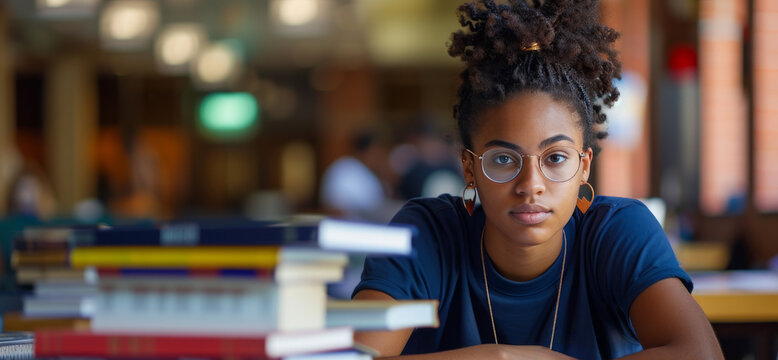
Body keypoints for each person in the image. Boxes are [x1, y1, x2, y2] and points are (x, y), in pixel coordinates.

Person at [352, 1, 723, 359]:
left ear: (584, 166)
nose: (531, 184)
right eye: (502, 159)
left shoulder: (617, 232)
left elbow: (700, 355)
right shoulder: (427, 235)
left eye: (556, 158)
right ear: (469, 168)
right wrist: (497, 358)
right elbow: (350, 358)